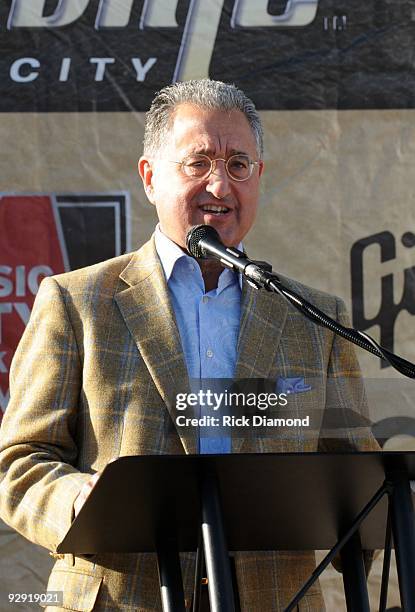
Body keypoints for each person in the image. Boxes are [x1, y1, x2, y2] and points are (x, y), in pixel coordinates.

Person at [0, 79, 376, 611]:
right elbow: (19, 462)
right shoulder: (77, 302)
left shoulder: (314, 320)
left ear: (259, 178)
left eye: (238, 165)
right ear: (150, 177)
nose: (220, 186)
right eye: (198, 163)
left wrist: (371, 528)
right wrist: (80, 500)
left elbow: (355, 481)